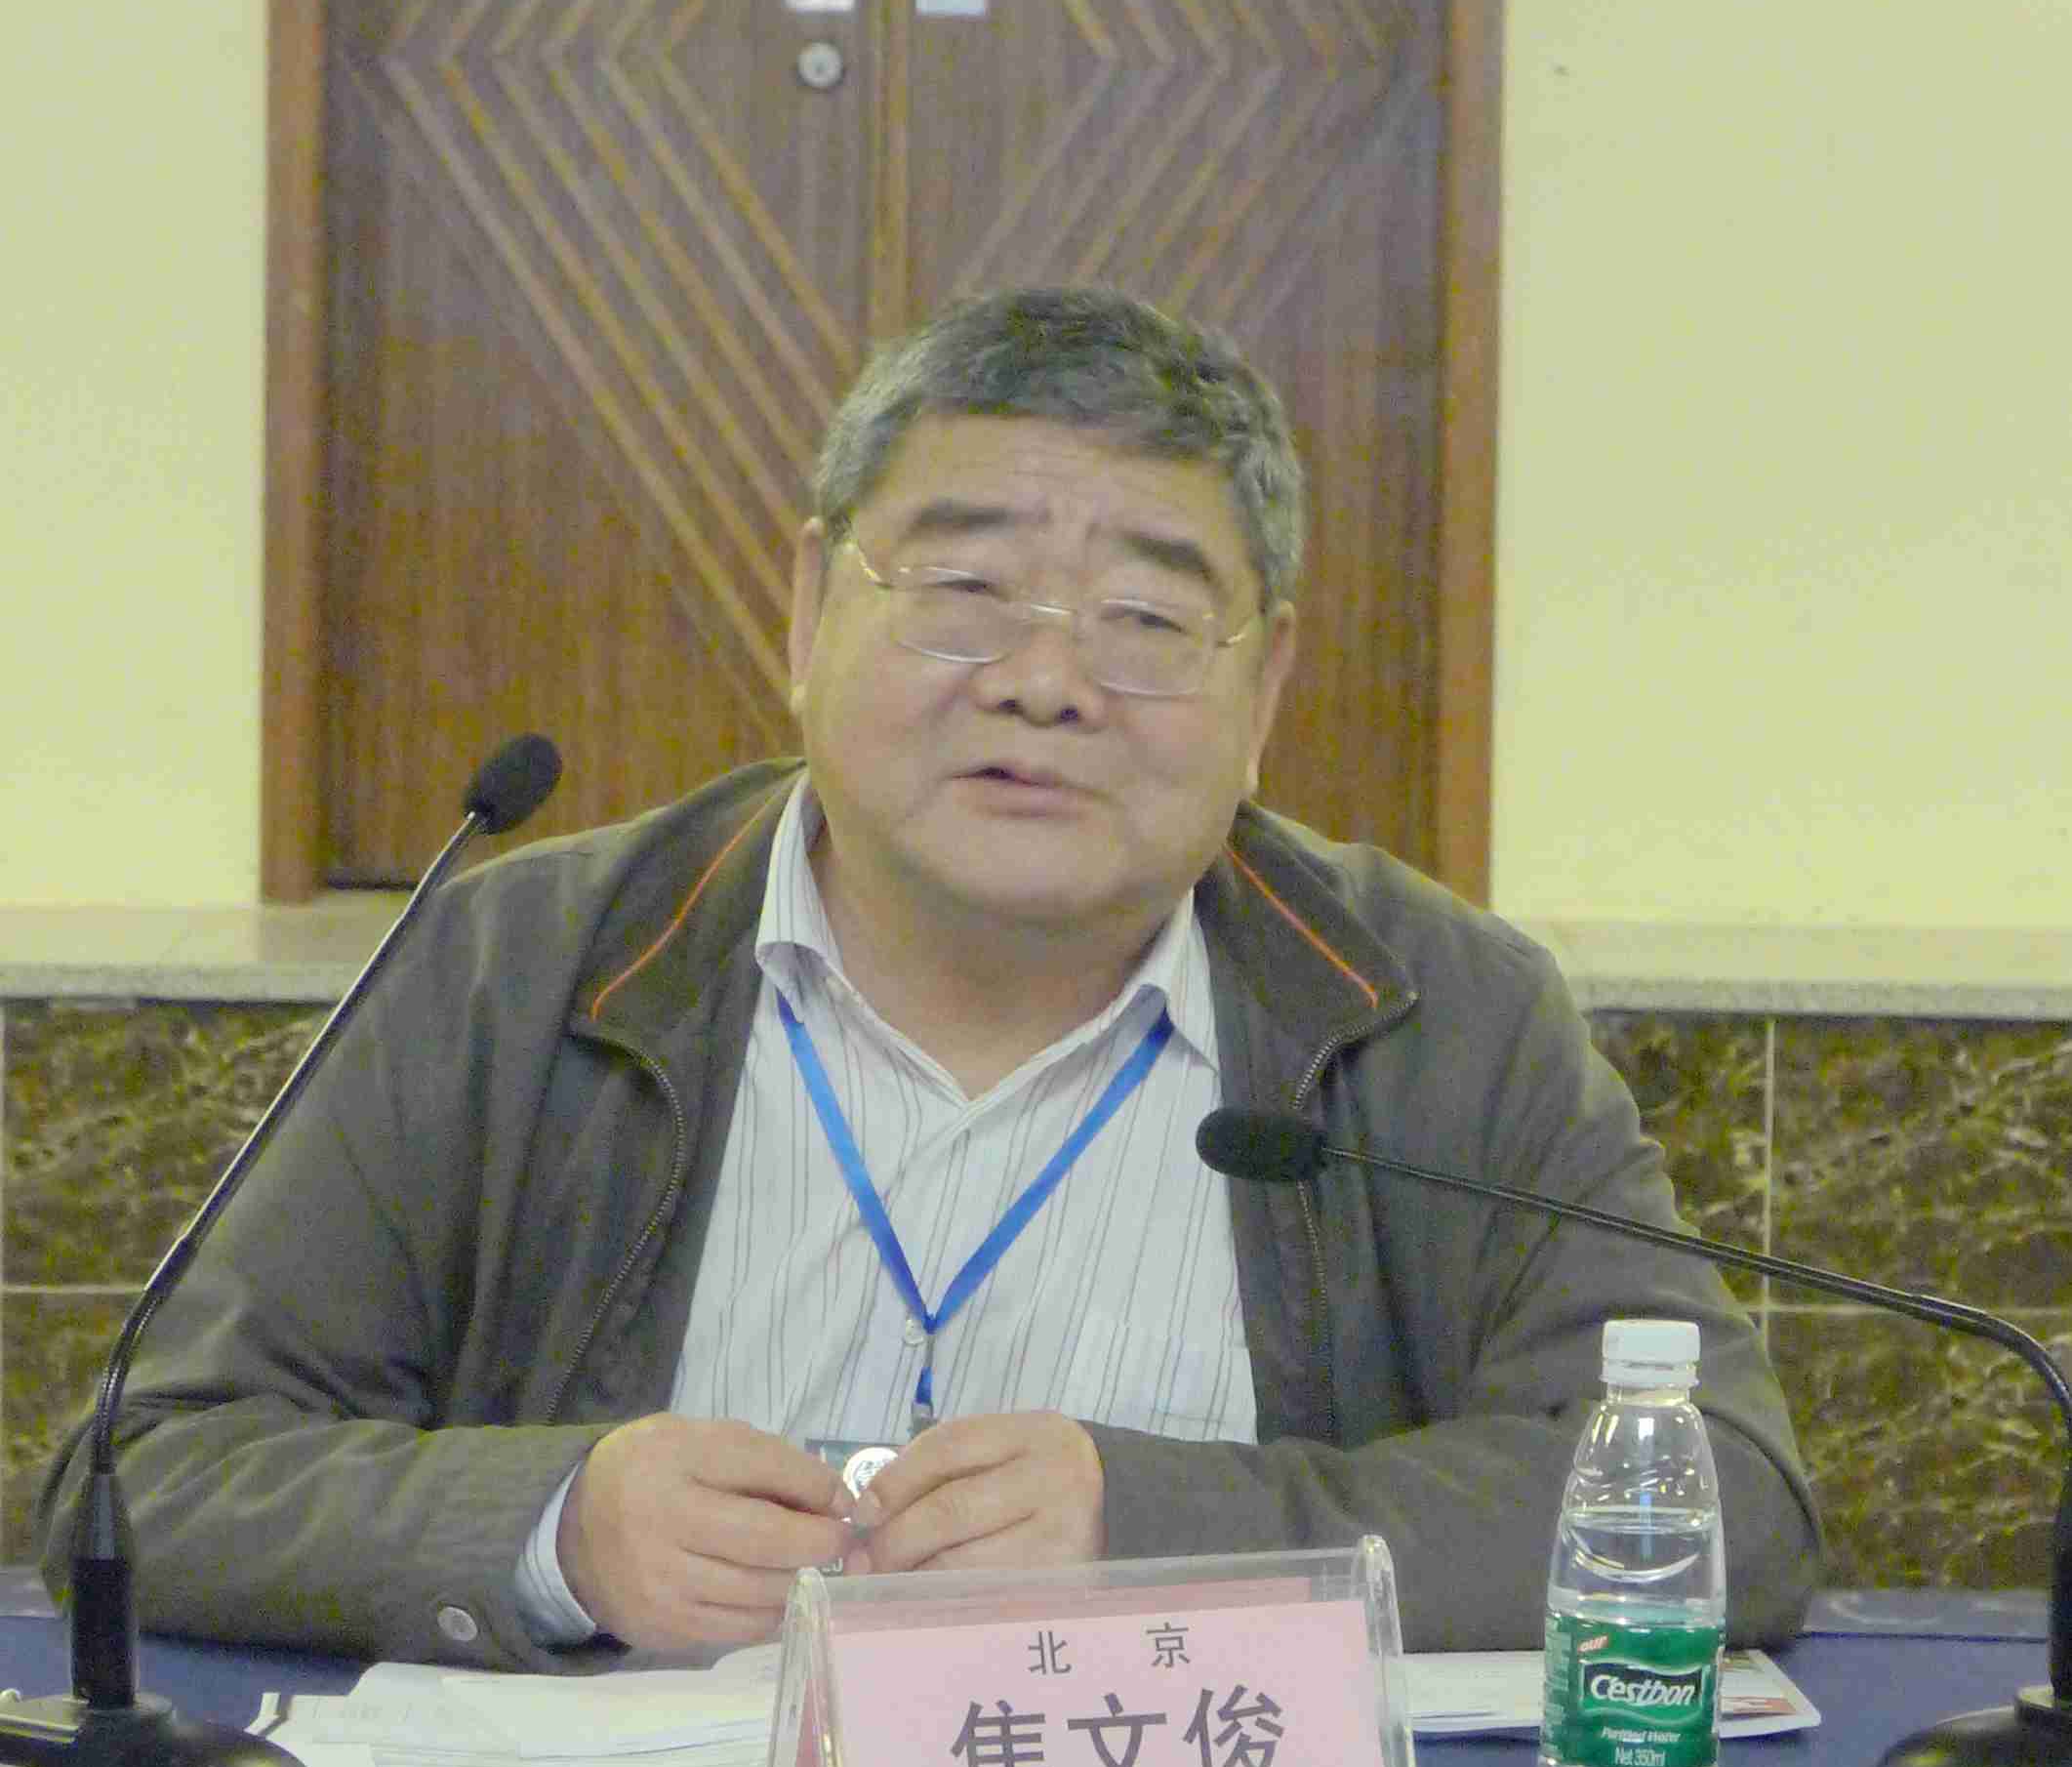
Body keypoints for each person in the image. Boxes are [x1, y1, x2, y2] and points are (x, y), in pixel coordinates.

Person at [38, 287, 1818, 1669]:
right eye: (966, 589)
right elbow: (158, 1469)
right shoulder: (517, 967)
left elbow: (1723, 1497)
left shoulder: (1437, 1011)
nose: (1045, 685)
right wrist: (554, 1524)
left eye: (1145, 621)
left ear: (1264, 688)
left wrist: (1174, 1536)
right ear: (810, 609)